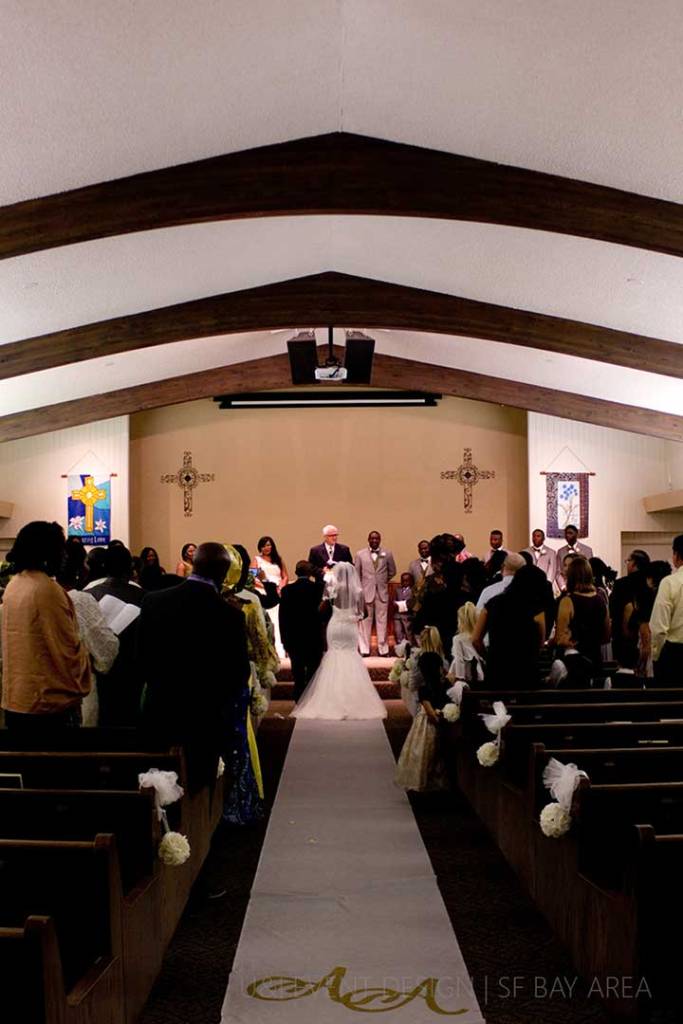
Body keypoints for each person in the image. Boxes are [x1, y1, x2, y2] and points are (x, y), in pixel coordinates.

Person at [138, 542, 250, 793]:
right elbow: (238, 675)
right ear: (223, 573)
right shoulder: (230, 615)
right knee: (198, 789)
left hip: (161, 710)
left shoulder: (154, 601)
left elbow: (142, 657)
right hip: (205, 719)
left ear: (194, 564)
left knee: (158, 788)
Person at [1, 521, 91, 732]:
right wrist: (84, 661)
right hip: (49, 704)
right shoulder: (47, 590)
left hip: (18, 699)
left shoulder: (15, 585)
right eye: (60, 549)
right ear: (47, 552)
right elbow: (66, 651)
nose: (64, 556)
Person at [291, 562, 387, 720]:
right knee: (350, 655)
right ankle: (354, 701)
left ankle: (330, 700)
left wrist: (332, 606)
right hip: (350, 628)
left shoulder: (332, 588)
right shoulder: (358, 591)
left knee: (334, 655)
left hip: (335, 626)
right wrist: (352, 616)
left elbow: (321, 609)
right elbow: (364, 613)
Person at [56, 545, 119, 726]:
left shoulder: (34, 595)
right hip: (76, 687)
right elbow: (106, 649)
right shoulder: (80, 600)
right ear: (78, 570)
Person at [87, 544, 146, 725]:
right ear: (130, 567)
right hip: (132, 669)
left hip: (97, 668)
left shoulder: (89, 595)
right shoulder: (145, 597)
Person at [472, 564, 547, 689]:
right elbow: (541, 643)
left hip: (497, 671)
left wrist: (488, 657)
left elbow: (475, 639)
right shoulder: (537, 608)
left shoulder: (492, 604)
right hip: (526, 672)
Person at [395, 651, 449, 792]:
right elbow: (430, 713)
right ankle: (426, 782)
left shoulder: (443, 685)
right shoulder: (425, 689)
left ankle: (436, 782)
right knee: (425, 753)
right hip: (427, 724)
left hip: (436, 720)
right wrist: (441, 716)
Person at [555, 556, 610, 686]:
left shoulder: (568, 601)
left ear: (571, 576)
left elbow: (560, 638)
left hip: (573, 663)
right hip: (595, 659)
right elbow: (606, 636)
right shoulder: (600, 600)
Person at [279, 561, 325, 701]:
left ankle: (299, 699)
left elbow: (283, 617)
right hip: (313, 636)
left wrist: (284, 640)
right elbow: (323, 614)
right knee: (313, 671)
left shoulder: (287, 590)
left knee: (297, 672)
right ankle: (311, 699)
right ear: (310, 573)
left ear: (296, 572)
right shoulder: (317, 588)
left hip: (294, 637)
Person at [355, 531, 396, 656]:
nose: (374, 540)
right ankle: (364, 649)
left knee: (382, 621)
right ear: (368, 539)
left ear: (380, 539)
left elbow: (392, 571)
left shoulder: (387, 553)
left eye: (377, 538)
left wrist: (381, 581)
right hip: (366, 592)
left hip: (382, 593)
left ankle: (383, 649)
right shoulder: (360, 554)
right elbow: (356, 573)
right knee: (365, 622)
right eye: (372, 538)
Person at [650, 535, 683, 685]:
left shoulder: (669, 583)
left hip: (675, 654)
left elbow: (659, 628)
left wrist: (655, 656)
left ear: (676, 555)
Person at [609, 549, 650, 668]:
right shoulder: (648, 585)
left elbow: (612, 611)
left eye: (628, 561)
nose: (627, 564)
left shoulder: (621, 584)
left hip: (621, 639)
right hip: (645, 637)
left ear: (634, 564)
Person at [251, 535, 289, 658]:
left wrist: (281, 587)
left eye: (268, 545)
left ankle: (282, 648)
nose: (267, 548)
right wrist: (265, 585)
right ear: (260, 548)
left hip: (278, 590)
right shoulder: (257, 559)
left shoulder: (278, 559)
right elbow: (253, 577)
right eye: (264, 546)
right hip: (264, 590)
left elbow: (285, 576)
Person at [448, 602, 484, 687]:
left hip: (467, 676)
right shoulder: (479, 637)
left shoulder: (458, 639)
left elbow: (459, 660)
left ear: (461, 621)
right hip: (480, 674)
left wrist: (460, 679)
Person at [555, 525, 593, 591]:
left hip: (583, 587)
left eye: (570, 533)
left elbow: (589, 570)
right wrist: (563, 587)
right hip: (566, 587)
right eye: (566, 533)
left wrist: (586, 586)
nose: (567, 535)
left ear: (577, 534)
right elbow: (558, 572)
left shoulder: (587, 550)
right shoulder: (560, 552)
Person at [392, 572, 415, 645]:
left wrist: (407, 604)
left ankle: (410, 646)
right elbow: (394, 600)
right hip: (398, 615)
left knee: (409, 633)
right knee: (398, 631)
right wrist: (395, 603)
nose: (405, 582)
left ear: (411, 581)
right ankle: (400, 646)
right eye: (403, 580)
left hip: (407, 615)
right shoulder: (398, 589)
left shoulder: (413, 590)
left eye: (407, 580)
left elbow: (414, 602)